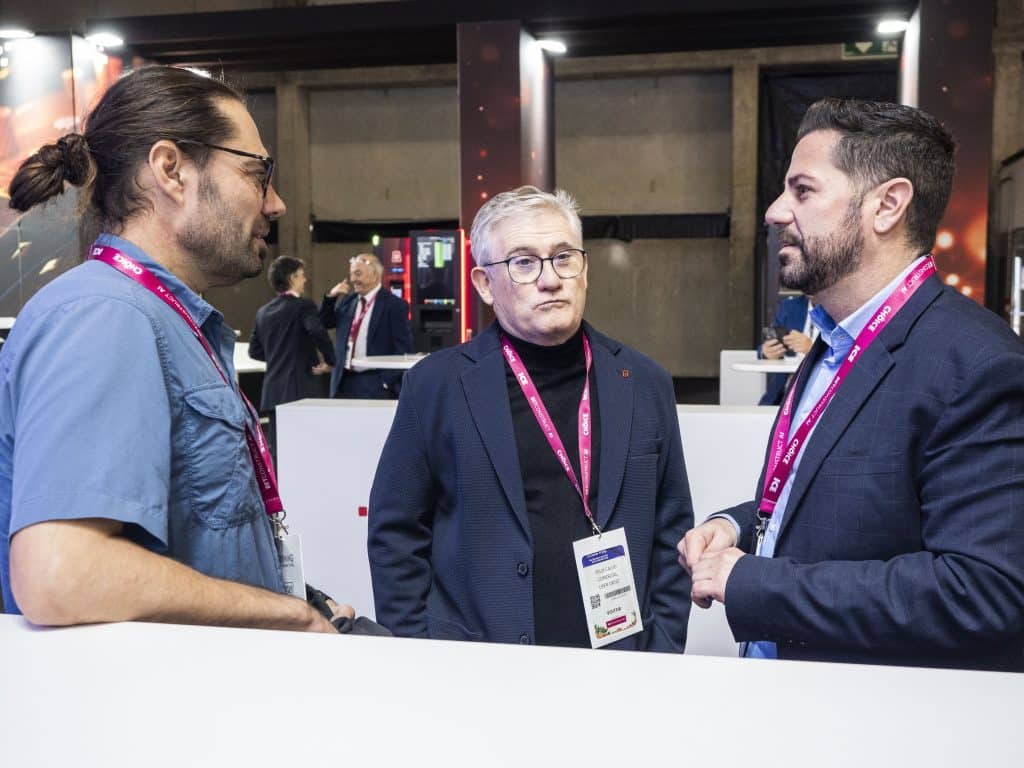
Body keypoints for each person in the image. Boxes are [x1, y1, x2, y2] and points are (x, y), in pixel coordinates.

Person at [0, 65, 352, 631]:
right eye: (257, 173)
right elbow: (62, 574)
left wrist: (304, 601)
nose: (276, 203)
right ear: (171, 170)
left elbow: (199, 544)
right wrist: (289, 617)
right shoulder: (106, 315)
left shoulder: (164, 320)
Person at [680, 98, 1024, 671]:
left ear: (887, 205)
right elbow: (842, 501)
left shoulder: (978, 364)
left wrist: (756, 583)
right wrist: (738, 525)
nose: (775, 211)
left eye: (803, 191)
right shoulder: (835, 340)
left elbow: (981, 590)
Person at [368, 186, 693, 651]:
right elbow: (396, 533)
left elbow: (672, 528)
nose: (550, 279)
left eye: (563, 257)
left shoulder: (644, 382)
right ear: (484, 284)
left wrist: (661, 648)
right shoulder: (435, 386)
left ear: (585, 270)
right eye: (523, 262)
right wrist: (419, 652)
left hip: (621, 663)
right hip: (478, 666)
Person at [249, 255, 335, 455]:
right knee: (308, 450)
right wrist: (330, 360)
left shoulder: (263, 312)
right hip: (302, 391)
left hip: (273, 393)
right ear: (292, 278)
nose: (305, 280)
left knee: (280, 453)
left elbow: (254, 350)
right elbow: (317, 330)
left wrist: (278, 355)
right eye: (302, 275)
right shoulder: (304, 306)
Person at [318, 253, 412, 399]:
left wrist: (386, 381)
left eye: (357, 274)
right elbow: (325, 322)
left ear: (374, 275)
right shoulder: (348, 301)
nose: (352, 279)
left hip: (374, 382)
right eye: (351, 274)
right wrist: (331, 297)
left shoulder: (394, 305)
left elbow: (404, 347)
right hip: (343, 381)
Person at [758, 293, 815, 405]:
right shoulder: (789, 306)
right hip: (782, 395)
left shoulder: (842, 310)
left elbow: (846, 353)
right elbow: (766, 345)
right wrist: (765, 352)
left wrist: (812, 349)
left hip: (820, 394)